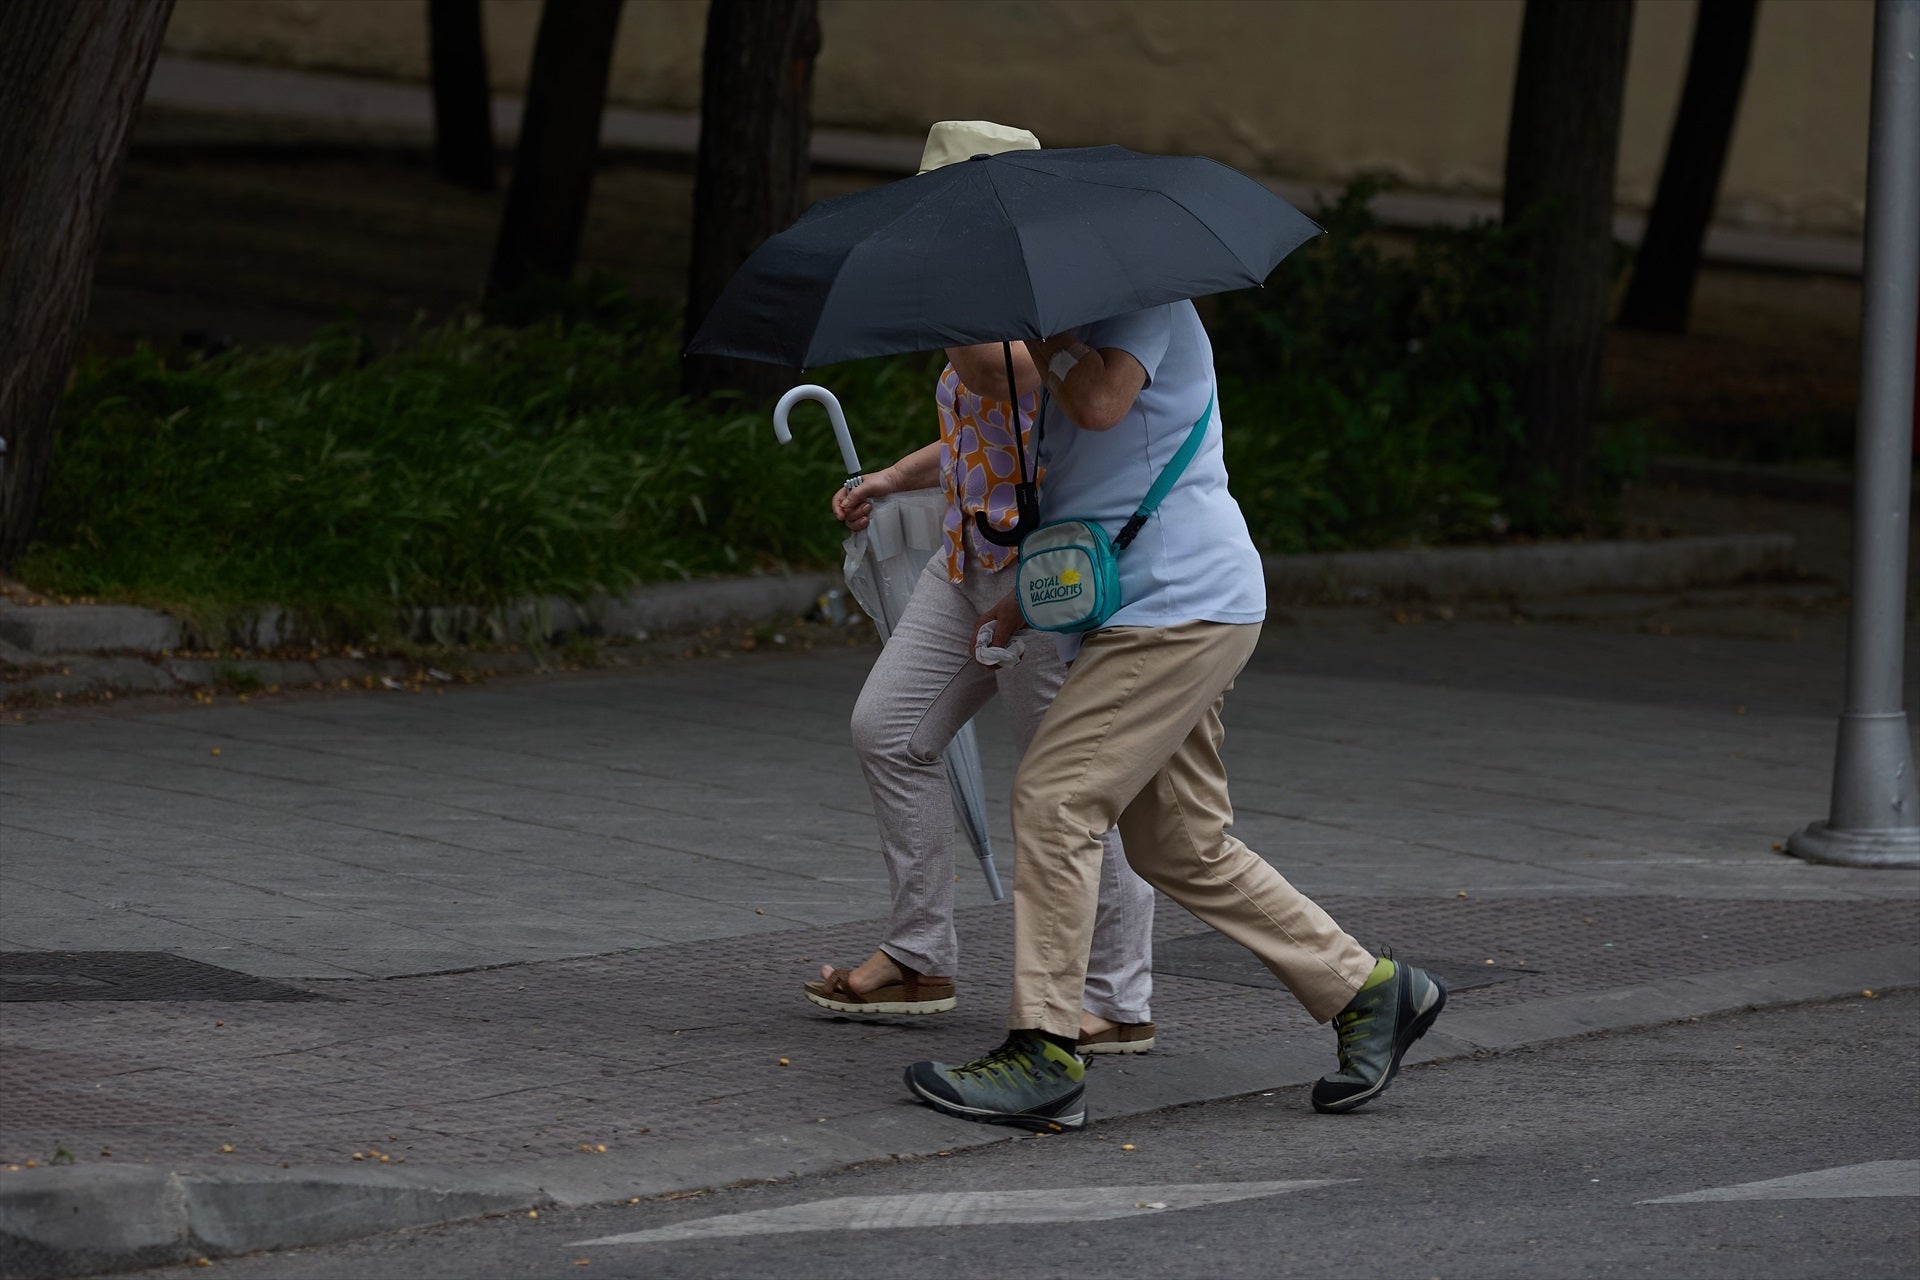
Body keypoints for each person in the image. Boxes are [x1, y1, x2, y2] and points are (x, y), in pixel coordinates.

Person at [903, 296, 1448, 1131]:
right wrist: (1017, 601)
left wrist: (1042, 340)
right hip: (1149, 608)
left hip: (1179, 608)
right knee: (1178, 842)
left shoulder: (1146, 303)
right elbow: (1094, 484)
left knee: (1056, 801)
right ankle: (1370, 990)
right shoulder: (1071, 332)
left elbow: (1101, 402)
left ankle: (1043, 1054)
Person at [802, 121, 1158, 1056]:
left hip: (1041, 581)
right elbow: (970, 432)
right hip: (963, 567)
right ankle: (922, 954)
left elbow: (995, 378)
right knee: (889, 731)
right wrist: (891, 479)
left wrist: (938, 290)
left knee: (1069, 789)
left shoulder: (1042, 312)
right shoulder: (974, 299)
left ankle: (1120, 997)